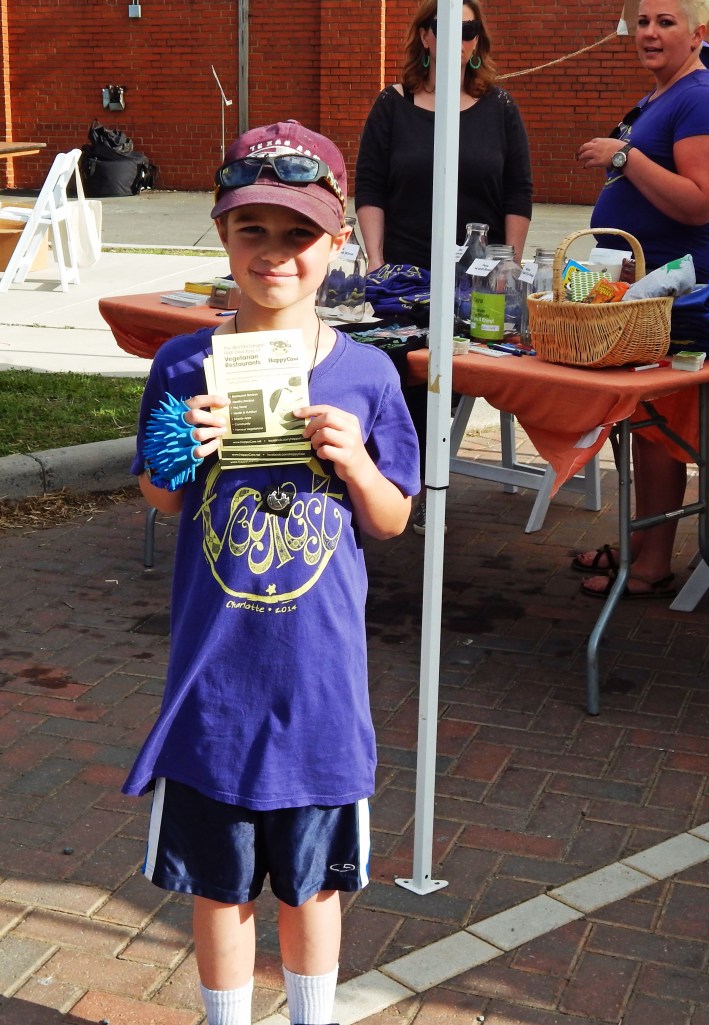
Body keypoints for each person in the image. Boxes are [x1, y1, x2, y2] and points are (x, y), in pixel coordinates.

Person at [122, 120, 420, 1025]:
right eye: (252, 230)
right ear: (221, 236)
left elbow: (393, 516)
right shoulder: (185, 361)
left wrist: (359, 465)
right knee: (219, 885)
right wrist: (187, 443)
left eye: (298, 234)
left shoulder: (367, 373)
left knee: (312, 883)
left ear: (336, 245)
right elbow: (159, 496)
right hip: (216, 679)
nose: (275, 254)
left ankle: (311, 1016)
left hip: (320, 684)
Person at [573, 0, 709, 598]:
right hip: (639, 292)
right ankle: (640, 542)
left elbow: (699, 202)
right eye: (642, 22)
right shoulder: (661, 98)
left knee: (659, 427)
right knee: (641, 421)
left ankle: (653, 562)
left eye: (665, 22)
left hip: (673, 293)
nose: (649, 33)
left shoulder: (701, 98)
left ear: (699, 33)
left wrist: (624, 155)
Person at [355, 0, 533, 533]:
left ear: (477, 43)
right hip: (405, 277)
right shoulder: (393, 104)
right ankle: (396, 485)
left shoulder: (499, 107)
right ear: (426, 37)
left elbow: (518, 192)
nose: (457, 36)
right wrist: (378, 260)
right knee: (394, 366)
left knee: (443, 373)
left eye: (469, 29)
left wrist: (509, 266)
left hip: (474, 280)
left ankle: (409, 486)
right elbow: (370, 186)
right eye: (444, 26)